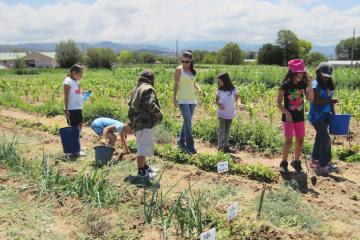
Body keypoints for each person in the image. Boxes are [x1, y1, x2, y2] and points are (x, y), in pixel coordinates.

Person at [277, 59, 314, 173]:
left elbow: (310, 98)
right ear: (293, 73)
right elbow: (278, 103)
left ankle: (296, 162)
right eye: (299, 72)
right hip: (288, 118)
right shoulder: (285, 85)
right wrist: (287, 113)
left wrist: (309, 85)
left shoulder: (303, 84)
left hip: (299, 117)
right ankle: (283, 163)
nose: (301, 74)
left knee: (300, 140)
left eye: (302, 72)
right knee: (288, 140)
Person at [128, 70, 163, 180]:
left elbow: (130, 107)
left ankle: (145, 167)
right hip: (144, 122)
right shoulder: (147, 88)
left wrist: (131, 122)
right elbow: (150, 104)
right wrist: (159, 114)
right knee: (143, 148)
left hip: (138, 122)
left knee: (144, 145)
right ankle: (142, 172)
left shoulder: (137, 88)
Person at [308, 62, 338, 175]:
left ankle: (315, 162)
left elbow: (330, 101)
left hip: (326, 116)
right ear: (318, 73)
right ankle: (324, 165)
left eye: (327, 75)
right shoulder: (316, 85)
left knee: (320, 138)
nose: (325, 77)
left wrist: (334, 114)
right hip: (316, 117)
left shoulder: (329, 85)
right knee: (326, 139)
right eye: (323, 75)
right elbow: (316, 102)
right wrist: (330, 101)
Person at [173, 50, 202, 154]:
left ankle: (180, 142)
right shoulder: (178, 70)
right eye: (183, 61)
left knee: (186, 122)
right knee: (189, 123)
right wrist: (174, 98)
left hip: (192, 100)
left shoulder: (193, 71)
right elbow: (176, 84)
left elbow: (194, 84)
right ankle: (190, 147)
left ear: (191, 61)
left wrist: (198, 88)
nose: (184, 63)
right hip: (183, 100)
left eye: (187, 61)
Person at [215, 72, 242, 153]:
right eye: (219, 81)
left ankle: (226, 146)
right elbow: (216, 100)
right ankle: (220, 148)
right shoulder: (220, 90)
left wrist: (239, 104)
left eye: (221, 81)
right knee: (222, 130)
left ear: (225, 80)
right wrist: (219, 104)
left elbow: (237, 98)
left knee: (227, 130)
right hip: (222, 113)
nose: (219, 83)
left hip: (230, 113)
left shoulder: (233, 89)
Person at [63, 63, 86, 156]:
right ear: (73, 72)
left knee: (79, 126)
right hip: (72, 108)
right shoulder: (68, 81)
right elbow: (66, 96)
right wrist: (66, 109)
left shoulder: (75, 81)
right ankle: (74, 150)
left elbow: (77, 93)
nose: (81, 76)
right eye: (80, 74)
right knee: (74, 128)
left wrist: (84, 94)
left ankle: (77, 145)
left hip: (78, 107)